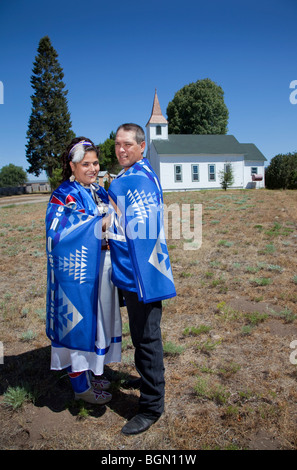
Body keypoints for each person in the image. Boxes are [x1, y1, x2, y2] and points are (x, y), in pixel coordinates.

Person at [108, 124, 176, 435]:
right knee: (140, 334)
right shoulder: (127, 176)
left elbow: (143, 229)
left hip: (143, 274)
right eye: (117, 145)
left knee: (148, 339)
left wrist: (110, 226)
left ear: (142, 146)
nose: (121, 150)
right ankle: (147, 376)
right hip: (130, 271)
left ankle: (152, 406)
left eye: (127, 145)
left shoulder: (140, 180)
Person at [45, 137, 122, 405]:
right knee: (80, 323)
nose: (92, 168)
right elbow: (58, 233)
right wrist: (100, 225)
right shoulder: (64, 194)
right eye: (85, 164)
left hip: (103, 268)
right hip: (78, 273)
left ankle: (95, 370)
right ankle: (80, 384)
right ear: (72, 165)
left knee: (101, 322)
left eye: (95, 162)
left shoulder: (99, 190)